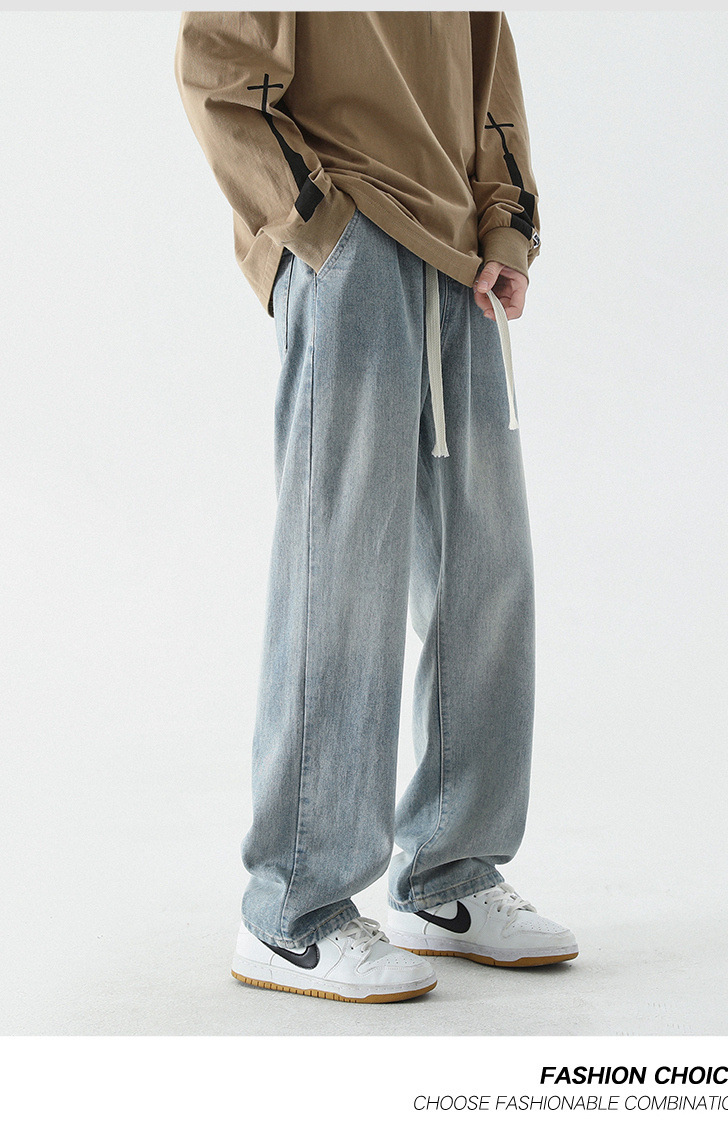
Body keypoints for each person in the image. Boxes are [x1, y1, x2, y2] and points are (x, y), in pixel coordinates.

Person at [174, 10, 578, 1004]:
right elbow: (218, 71)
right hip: (349, 246)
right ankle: (292, 909)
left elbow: (489, 73)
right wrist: (320, 225)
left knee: (486, 577)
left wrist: (505, 227)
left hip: (461, 263)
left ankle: (448, 876)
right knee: (341, 574)